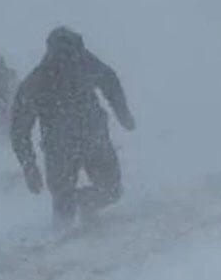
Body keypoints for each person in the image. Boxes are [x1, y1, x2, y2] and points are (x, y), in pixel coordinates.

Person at [11, 27, 136, 228]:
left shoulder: (85, 62)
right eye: (61, 53)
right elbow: (20, 129)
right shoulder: (38, 80)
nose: (67, 59)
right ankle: (63, 229)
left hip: (92, 138)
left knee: (111, 190)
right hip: (60, 147)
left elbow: (110, 81)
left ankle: (84, 203)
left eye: (71, 52)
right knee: (64, 203)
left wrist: (124, 114)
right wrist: (29, 166)